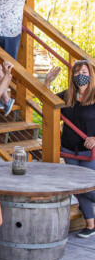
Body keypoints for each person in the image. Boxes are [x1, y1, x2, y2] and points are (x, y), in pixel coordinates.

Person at [44, 61, 95, 237]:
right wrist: (48, 82)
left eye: (84, 71)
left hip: (89, 152)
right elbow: (49, 104)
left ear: (91, 74)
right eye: (76, 72)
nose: (79, 75)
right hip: (69, 149)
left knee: (88, 187)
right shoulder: (68, 96)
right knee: (77, 188)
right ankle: (90, 224)